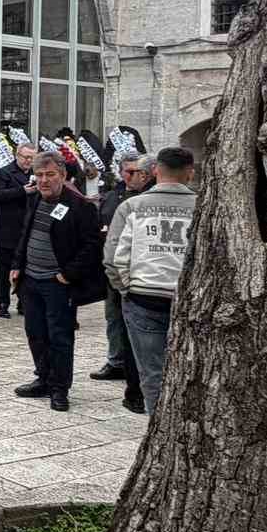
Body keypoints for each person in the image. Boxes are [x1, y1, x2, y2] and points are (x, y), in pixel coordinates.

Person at [10, 151, 107, 412]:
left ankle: (60, 388)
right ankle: (43, 378)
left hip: (58, 284)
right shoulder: (36, 200)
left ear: (63, 176)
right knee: (36, 334)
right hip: (31, 280)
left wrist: (68, 274)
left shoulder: (80, 205)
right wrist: (18, 265)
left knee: (59, 337)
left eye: (50, 175)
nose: (44, 180)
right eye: (39, 175)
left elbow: (92, 246)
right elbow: (26, 234)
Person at [105, 147, 196, 414]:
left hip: (143, 297)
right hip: (188, 297)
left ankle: (159, 423)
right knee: (188, 368)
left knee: (151, 372)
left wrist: (125, 288)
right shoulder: (203, 206)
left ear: (155, 171)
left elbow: (113, 257)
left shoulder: (132, 207)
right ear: (190, 173)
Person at [90, 155, 151, 408]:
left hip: (136, 272)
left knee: (136, 325)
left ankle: (135, 372)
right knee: (113, 317)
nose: (127, 176)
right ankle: (116, 361)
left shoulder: (146, 200)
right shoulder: (114, 194)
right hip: (112, 267)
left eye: (133, 171)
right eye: (124, 171)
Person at [0, 143, 37, 319]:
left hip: (28, 230)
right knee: (4, 271)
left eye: (32, 158)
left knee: (26, 269)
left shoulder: (36, 175)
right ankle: (1, 303)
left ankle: (23, 303)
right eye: (25, 157)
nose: (28, 161)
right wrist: (22, 190)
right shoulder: (4, 172)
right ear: (17, 155)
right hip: (7, 231)